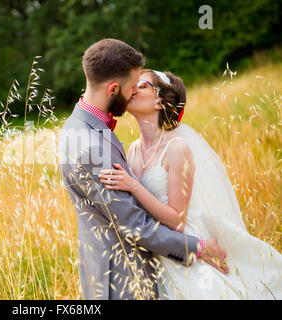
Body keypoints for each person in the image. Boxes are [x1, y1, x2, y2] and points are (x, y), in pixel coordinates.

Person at [58, 38, 228, 300]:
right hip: (122, 277)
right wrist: (199, 247)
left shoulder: (74, 126)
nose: (134, 93)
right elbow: (134, 225)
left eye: (141, 86)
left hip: (119, 269)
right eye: (130, 88)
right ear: (114, 88)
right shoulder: (93, 145)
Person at [98, 69, 281, 299]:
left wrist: (134, 186)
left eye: (142, 86)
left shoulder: (177, 148)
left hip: (182, 252)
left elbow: (177, 220)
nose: (132, 89)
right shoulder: (133, 149)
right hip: (155, 251)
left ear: (159, 101)